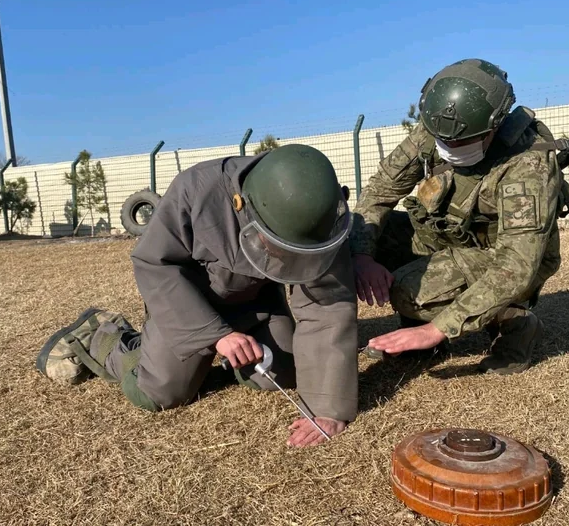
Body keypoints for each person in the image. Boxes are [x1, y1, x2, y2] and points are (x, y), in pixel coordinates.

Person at [36, 144, 358, 447]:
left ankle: (217, 361)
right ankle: (103, 334)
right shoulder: (196, 190)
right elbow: (153, 264)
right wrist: (216, 336)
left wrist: (328, 409)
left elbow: (327, 305)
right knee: (160, 393)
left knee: (283, 371)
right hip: (189, 304)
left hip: (256, 304)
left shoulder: (321, 214)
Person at [350, 58, 563, 374]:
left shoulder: (527, 165)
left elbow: (516, 266)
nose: (448, 146)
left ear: (495, 124)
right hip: (445, 235)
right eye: (442, 139)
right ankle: (426, 343)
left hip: (498, 257)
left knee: (411, 291)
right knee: (354, 235)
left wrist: (434, 328)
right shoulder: (436, 127)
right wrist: (362, 256)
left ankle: (515, 322)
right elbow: (381, 189)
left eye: (461, 141)